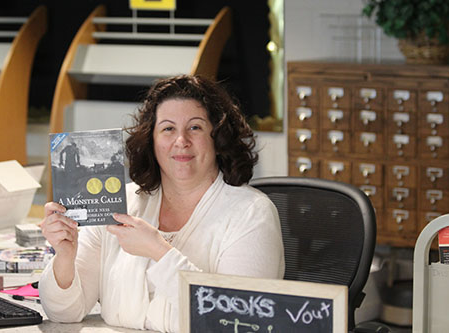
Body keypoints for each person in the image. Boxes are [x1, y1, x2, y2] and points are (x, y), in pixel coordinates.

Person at [38, 75, 285, 332]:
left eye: (195, 127)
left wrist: (159, 252)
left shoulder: (252, 214)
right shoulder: (121, 204)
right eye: (168, 128)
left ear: (218, 137)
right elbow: (64, 313)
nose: (181, 141)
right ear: (151, 140)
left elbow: (238, 321)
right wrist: (65, 256)